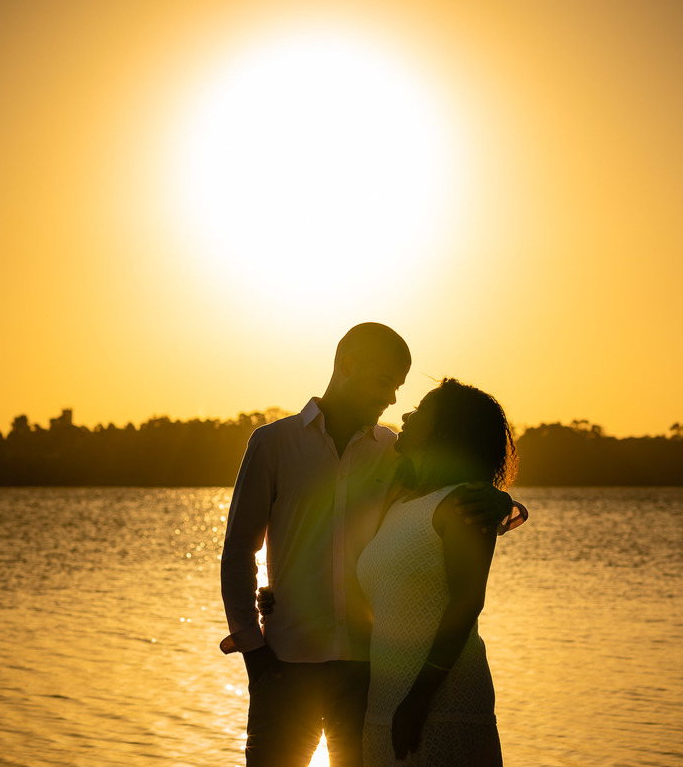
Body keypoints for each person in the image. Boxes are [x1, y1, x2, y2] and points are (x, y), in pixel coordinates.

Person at [220, 323, 523, 767]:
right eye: (385, 382)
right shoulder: (273, 443)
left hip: (365, 673)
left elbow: (449, 491)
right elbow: (239, 549)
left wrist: (501, 499)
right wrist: (253, 651)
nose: (393, 399)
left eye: (399, 386)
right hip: (284, 665)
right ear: (346, 366)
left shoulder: (393, 451)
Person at [357, 378, 516, 766]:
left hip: (444, 704)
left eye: (422, 409)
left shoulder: (465, 504)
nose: (407, 414)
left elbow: (466, 603)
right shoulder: (398, 501)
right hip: (384, 707)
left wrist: (418, 699)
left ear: (448, 428)